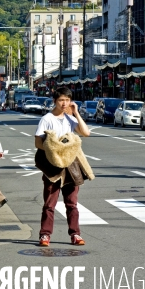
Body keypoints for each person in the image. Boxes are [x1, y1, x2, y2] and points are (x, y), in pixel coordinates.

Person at [34, 87, 91, 247]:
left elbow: (86, 133)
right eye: (61, 100)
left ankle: (75, 234)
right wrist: (55, 150)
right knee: (49, 204)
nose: (64, 103)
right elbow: (38, 142)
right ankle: (45, 235)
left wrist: (76, 113)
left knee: (72, 203)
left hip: (71, 165)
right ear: (55, 101)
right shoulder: (47, 119)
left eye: (67, 100)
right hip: (52, 165)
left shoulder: (70, 119)